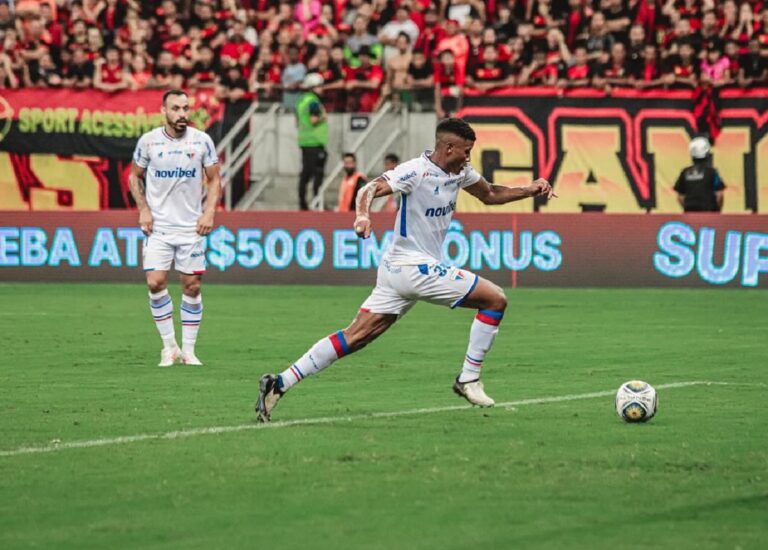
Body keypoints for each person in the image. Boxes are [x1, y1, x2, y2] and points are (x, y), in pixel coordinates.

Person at [255, 118, 556, 422]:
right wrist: (362, 217)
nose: (468, 157)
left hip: (396, 271)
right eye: (465, 151)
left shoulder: (460, 172)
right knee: (495, 299)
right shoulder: (415, 171)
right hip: (414, 268)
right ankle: (468, 379)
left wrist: (531, 190)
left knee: (355, 337)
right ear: (448, 147)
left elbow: (490, 194)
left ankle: (279, 383)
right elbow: (368, 188)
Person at [128, 90, 222, 367]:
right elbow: (134, 177)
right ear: (164, 112)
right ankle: (169, 347)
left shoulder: (202, 141)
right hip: (158, 226)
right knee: (155, 281)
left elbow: (215, 180)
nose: (182, 114)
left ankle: (189, 350)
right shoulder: (149, 142)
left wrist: (209, 212)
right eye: (176, 108)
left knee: (191, 286)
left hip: (191, 227)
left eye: (185, 108)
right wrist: (143, 209)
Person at [296, 72, 328, 210]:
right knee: (317, 175)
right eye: (320, 86)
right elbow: (314, 120)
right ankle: (316, 203)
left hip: (305, 141)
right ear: (313, 87)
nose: (322, 89)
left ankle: (303, 203)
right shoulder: (314, 102)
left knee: (305, 174)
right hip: (315, 142)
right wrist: (324, 117)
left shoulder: (302, 100)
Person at [674, 136, 725, 212]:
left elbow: (680, 196)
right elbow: (719, 195)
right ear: (707, 155)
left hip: (689, 214)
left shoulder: (685, 172)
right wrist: (717, 211)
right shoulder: (712, 172)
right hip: (709, 213)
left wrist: (688, 208)